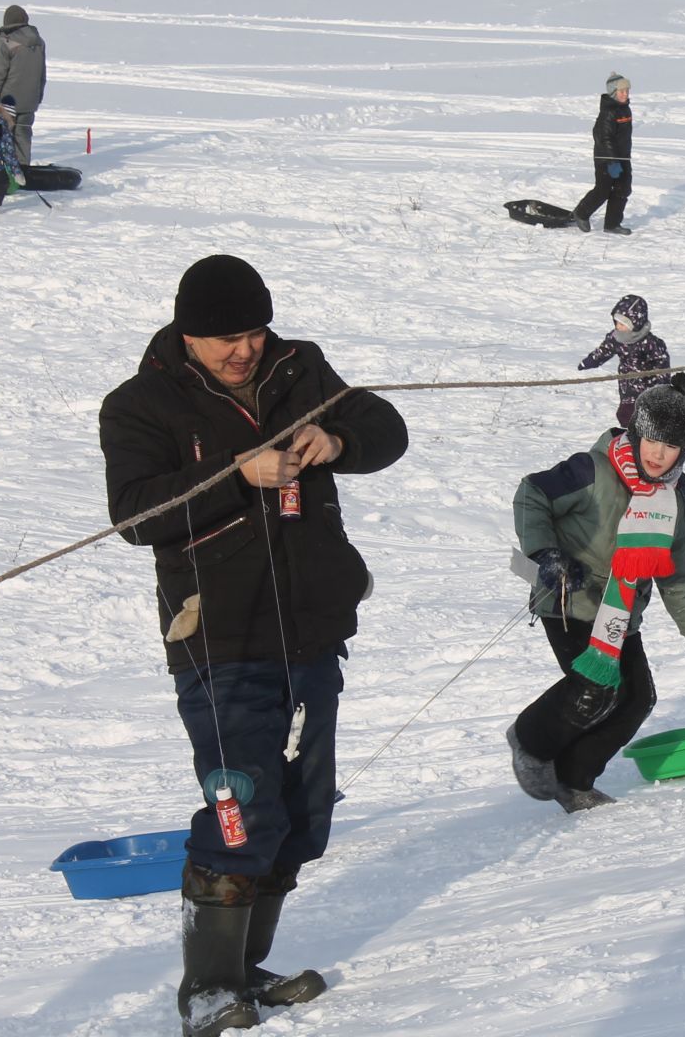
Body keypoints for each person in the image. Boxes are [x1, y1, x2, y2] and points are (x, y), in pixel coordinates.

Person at [98, 255, 408, 1037]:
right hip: (220, 639)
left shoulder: (299, 367)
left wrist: (336, 438)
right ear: (188, 334)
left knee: (302, 813)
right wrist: (240, 473)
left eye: (255, 330)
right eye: (228, 337)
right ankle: (206, 988)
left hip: (311, 630)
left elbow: (388, 430)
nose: (246, 349)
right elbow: (135, 516)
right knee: (241, 805)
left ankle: (246, 971)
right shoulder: (140, 405)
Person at [506, 373, 685, 813]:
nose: (660, 455)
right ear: (637, 433)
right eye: (653, 442)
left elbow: (677, 570)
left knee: (637, 698)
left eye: (672, 446)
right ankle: (529, 739)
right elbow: (532, 494)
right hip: (570, 599)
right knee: (594, 690)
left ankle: (575, 780)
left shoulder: (674, 498)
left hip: (621, 613)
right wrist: (546, 554)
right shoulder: (592, 470)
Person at [577, 293, 672, 428]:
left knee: (649, 413)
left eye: (623, 324)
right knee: (626, 415)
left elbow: (662, 364)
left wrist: (660, 384)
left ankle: (651, 428)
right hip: (627, 382)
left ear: (635, 323)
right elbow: (604, 350)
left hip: (649, 384)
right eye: (617, 322)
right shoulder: (616, 337)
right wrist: (590, 361)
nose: (618, 326)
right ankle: (634, 431)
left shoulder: (651, 343)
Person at [572, 73, 634, 234]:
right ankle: (581, 213)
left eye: (627, 90)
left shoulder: (625, 109)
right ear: (613, 92)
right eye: (621, 91)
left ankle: (612, 224)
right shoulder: (608, 112)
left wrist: (622, 158)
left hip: (622, 157)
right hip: (606, 158)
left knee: (623, 189)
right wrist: (612, 161)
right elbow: (603, 137)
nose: (625, 94)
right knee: (603, 189)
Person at [0, 4, 46, 164]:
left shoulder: (5, 41)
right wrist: (37, 97)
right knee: (23, 135)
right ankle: (22, 169)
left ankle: (0, 173)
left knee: (0, 135)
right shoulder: (38, 42)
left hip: (7, 101)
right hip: (30, 100)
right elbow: (42, 74)